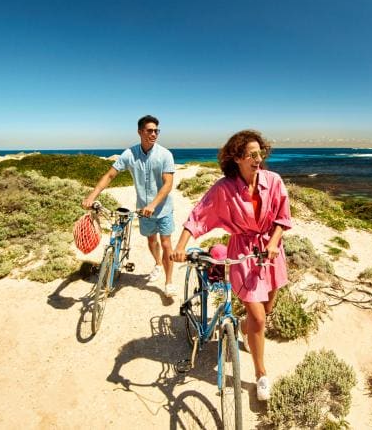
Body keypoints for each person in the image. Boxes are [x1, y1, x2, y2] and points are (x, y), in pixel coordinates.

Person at [171, 129, 292, 401]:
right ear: (236, 157)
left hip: (271, 255)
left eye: (260, 153)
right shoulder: (224, 188)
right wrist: (180, 247)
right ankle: (261, 375)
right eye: (251, 155)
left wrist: (273, 242)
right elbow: (198, 216)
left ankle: (245, 328)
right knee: (259, 317)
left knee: (267, 309)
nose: (258, 159)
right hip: (244, 255)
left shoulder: (273, 181)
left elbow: (283, 218)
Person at [82, 115, 177, 298]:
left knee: (166, 244)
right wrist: (92, 196)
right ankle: (158, 264)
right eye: (149, 130)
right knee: (151, 240)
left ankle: (169, 282)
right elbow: (110, 175)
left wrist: (153, 204)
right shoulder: (129, 154)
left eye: (156, 130)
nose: (154, 134)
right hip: (143, 209)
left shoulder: (165, 154)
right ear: (140, 132)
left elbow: (168, 184)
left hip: (163, 208)